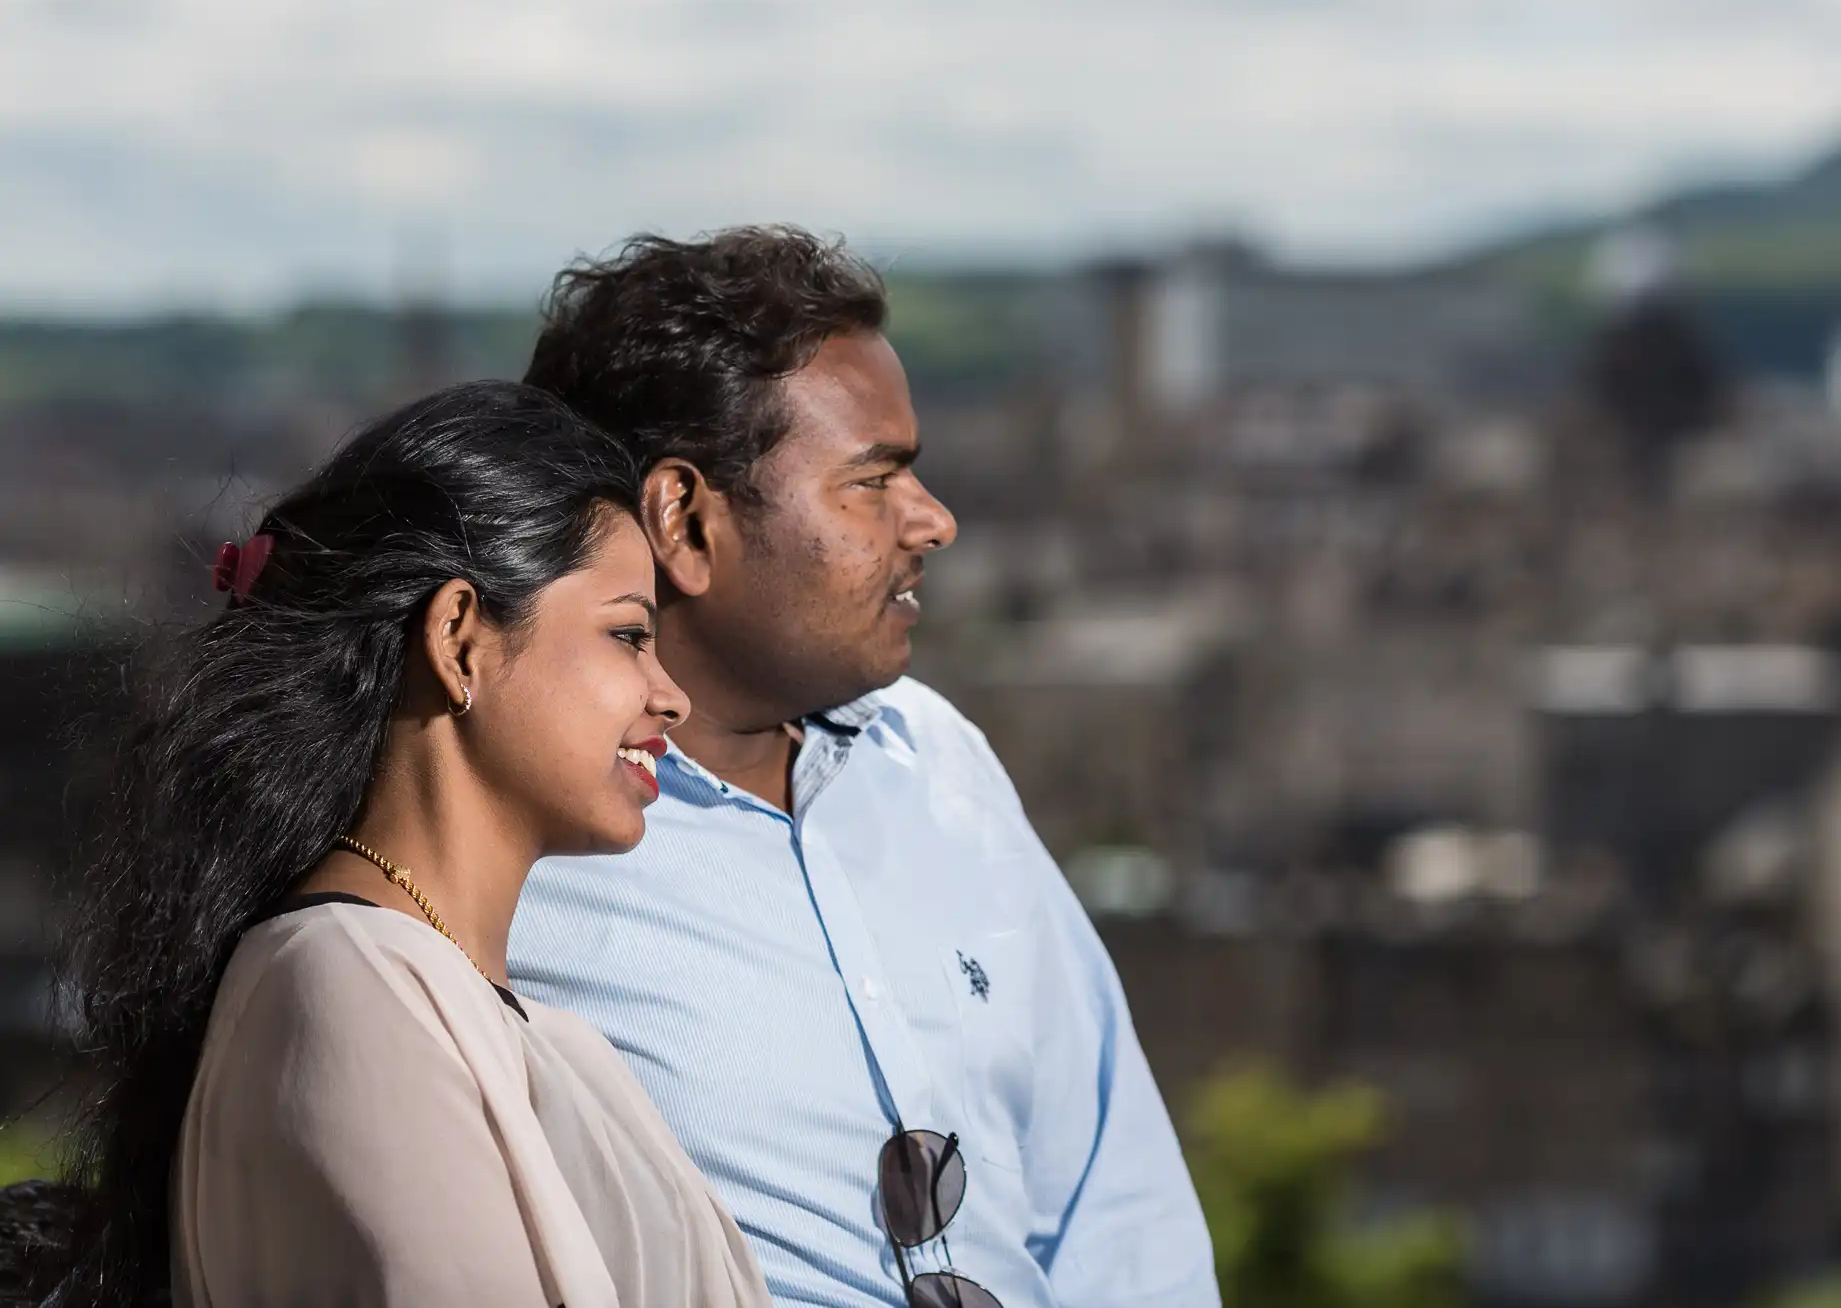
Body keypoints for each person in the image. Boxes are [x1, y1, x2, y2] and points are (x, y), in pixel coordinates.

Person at [511, 228, 1220, 1308]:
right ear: (684, 521)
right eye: (872, 481)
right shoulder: (513, 853)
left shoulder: (937, 761)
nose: (931, 522)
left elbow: (1113, 1209)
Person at [40, 382, 773, 1308]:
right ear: (460, 637)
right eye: (628, 633)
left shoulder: (503, 1018)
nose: (670, 696)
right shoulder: (344, 981)